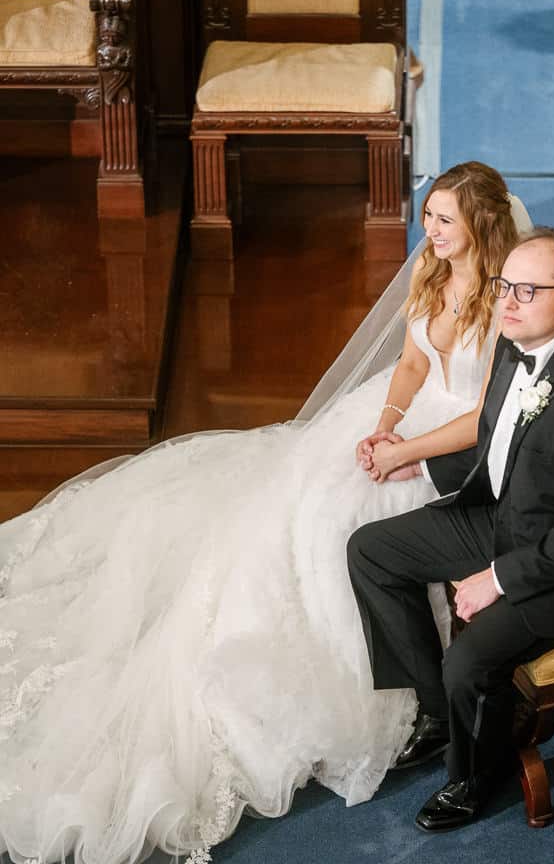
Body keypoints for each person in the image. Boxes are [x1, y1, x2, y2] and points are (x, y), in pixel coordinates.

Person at [0, 163, 526, 864]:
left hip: (454, 446)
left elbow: (485, 416)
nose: (428, 230)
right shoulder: (430, 276)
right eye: (427, 215)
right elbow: (409, 364)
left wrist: (407, 452)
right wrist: (384, 424)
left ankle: (405, 695)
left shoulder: (505, 303)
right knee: (300, 494)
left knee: (343, 523)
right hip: (404, 423)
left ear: (480, 226)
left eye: (444, 220)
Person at [347, 227, 554, 832]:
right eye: (504, 285)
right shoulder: (516, 343)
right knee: (371, 551)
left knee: (469, 661)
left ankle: (474, 778)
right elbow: (498, 444)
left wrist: (497, 578)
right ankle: (439, 714)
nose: (507, 301)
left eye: (527, 290)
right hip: (508, 516)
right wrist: (418, 463)